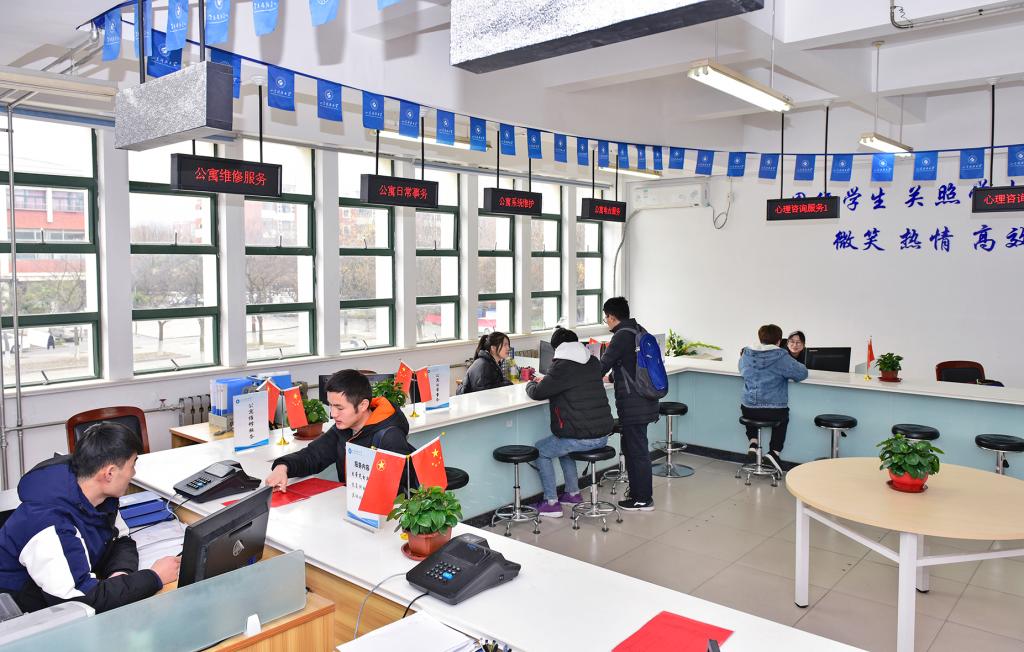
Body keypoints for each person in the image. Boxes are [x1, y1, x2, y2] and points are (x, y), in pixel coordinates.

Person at [0, 422, 179, 613]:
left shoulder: (100, 497)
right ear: (109, 473)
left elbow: (120, 541)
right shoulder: (49, 524)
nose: (133, 474)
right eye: (132, 464)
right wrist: (153, 577)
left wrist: (120, 573)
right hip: (22, 615)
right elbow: (80, 603)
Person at [265, 369, 415, 493]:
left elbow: (399, 493)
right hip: (350, 507)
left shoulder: (390, 436)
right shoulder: (343, 428)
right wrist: (282, 467)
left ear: (363, 405)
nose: (333, 414)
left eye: (340, 408)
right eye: (331, 405)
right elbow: (312, 456)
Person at [525, 327, 614, 518]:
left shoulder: (562, 366)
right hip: (602, 435)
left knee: (541, 451)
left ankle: (551, 503)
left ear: (557, 348)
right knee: (563, 445)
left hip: (580, 437)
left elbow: (538, 393)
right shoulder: (592, 361)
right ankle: (572, 493)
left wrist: (531, 383)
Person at [599, 297, 659, 512]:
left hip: (634, 404)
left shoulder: (621, 336)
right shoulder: (638, 330)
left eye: (606, 317)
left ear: (612, 317)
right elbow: (632, 367)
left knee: (637, 451)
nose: (606, 321)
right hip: (646, 399)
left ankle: (643, 498)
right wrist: (612, 378)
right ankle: (638, 493)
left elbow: (602, 366)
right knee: (635, 449)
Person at [739, 324, 809, 473]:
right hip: (773, 410)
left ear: (760, 338)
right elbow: (801, 374)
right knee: (783, 417)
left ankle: (753, 444)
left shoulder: (746, 353)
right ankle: (774, 453)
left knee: (748, 406)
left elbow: (741, 369)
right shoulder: (781, 356)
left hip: (748, 410)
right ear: (779, 341)